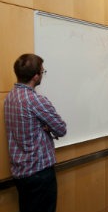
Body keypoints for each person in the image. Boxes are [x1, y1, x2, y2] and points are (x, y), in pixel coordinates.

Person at [4, 54, 67, 212]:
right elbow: (61, 128)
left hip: (21, 172)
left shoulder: (10, 97)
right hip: (39, 173)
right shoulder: (36, 100)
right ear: (35, 76)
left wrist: (42, 126)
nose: (42, 75)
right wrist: (46, 126)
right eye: (42, 72)